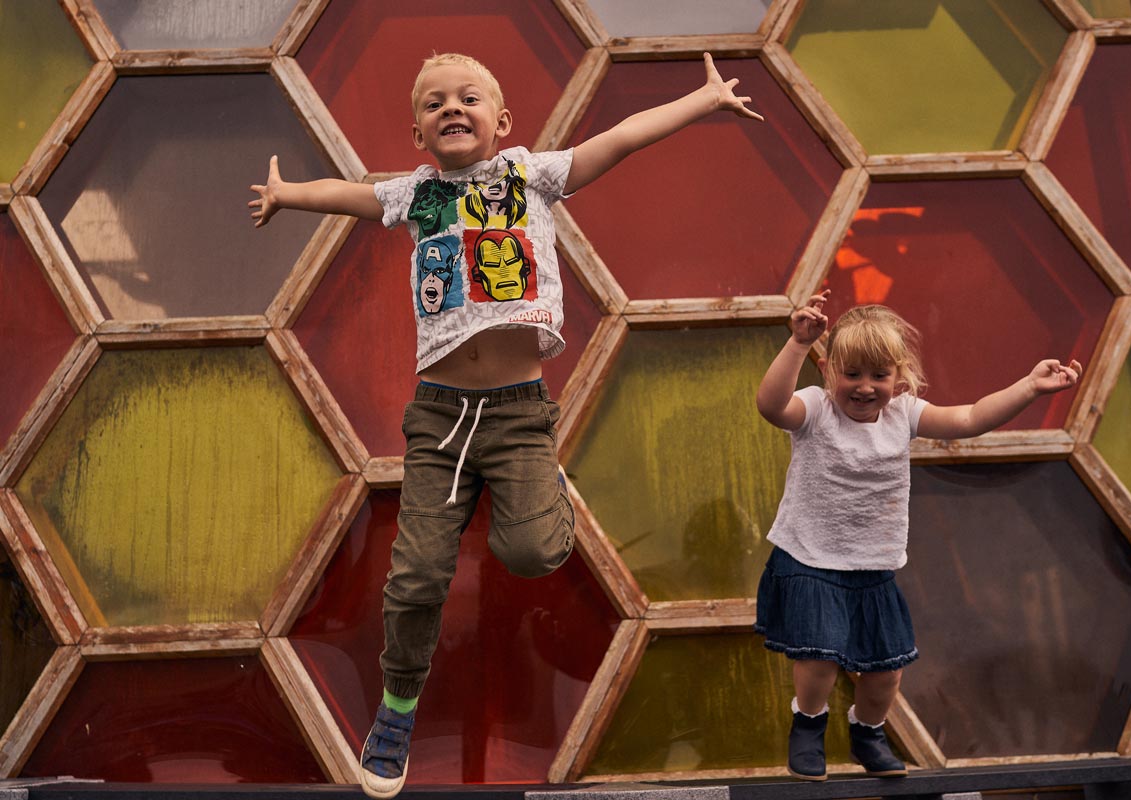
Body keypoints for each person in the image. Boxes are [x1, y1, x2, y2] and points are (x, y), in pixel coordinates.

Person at [250, 51, 762, 798]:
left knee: (529, 551)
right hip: (440, 419)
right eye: (433, 104)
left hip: (519, 416)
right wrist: (289, 193)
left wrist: (702, 99)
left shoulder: (531, 174)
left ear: (502, 122)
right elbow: (352, 195)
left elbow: (618, 140)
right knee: (418, 576)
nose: (451, 109)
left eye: (468, 99)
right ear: (418, 132)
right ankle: (396, 712)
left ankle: (541, 485)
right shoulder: (415, 194)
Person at [754, 290, 1082, 781]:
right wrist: (799, 342)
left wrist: (1029, 389)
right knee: (819, 657)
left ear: (898, 379)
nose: (865, 387)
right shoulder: (815, 409)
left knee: (886, 669)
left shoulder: (902, 414)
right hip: (811, 558)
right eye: (853, 374)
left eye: (878, 376)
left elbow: (970, 419)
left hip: (873, 565)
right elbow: (770, 405)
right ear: (828, 373)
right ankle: (808, 725)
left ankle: (868, 732)